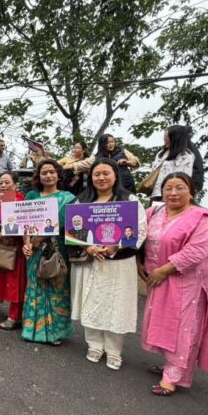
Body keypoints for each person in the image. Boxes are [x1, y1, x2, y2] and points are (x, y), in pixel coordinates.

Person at [139, 172, 208, 396]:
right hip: (157, 279)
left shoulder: (203, 219)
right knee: (163, 323)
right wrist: (139, 262)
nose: (173, 193)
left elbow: (197, 250)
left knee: (183, 328)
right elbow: (138, 236)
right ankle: (170, 365)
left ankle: (173, 377)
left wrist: (164, 270)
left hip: (186, 281)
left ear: (192, 192)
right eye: (168, 188)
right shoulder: (154, 212)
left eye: (179, 188)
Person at [70, 158, 147, 370]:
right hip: (90, 260)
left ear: (115, 175)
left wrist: (116, 246)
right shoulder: (81, 201)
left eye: (106, 173)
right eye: (97, 174)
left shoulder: (129, 200)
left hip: (119, 262)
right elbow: (73, 229)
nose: (101, 178)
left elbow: (140, 229)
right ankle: (94, 344)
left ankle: (114, 350)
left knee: (117, 302)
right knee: (91, 299)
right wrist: (88, 247)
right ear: (90, 177)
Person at [21, 159, 76, 345]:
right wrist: (27, 244)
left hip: (56, 248)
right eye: (44, 172)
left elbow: (70, 224)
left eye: (52, 172)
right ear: (39, 176)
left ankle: (55, 332)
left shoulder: (68, 198)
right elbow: (24, 223)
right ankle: (32, 330)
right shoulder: (32, 196)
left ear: (58, 175)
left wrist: (41, 237)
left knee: (56, 287)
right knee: (35, 285)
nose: (48, 175)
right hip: (34, 251)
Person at [0, 172, 27, 330]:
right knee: (7, 282)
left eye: (6, 182)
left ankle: (15, 316)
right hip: (1, 247)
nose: (3, 185)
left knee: (15, 283)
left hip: (16, 249)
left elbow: (19, 227)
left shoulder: (20, 201)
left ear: (15, 184)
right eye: (1, 183)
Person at [63, 134, 140, 193]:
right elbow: (81, 164)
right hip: (109, 187)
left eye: (112, 142)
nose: (111, 144)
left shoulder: (122, 151)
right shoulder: (97, 157)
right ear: (102, 144)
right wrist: (61, 167)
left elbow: (136, 163)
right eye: (108, 143)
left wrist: (127, 162)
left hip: (126, 183)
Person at [149, 126, 198, 200]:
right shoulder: (161, 153)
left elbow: (184, 178)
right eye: (164, 137)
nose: (164, 139)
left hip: (172, 195)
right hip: (156, 193)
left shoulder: (185, 156)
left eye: (167, 137)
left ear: (175, 138)